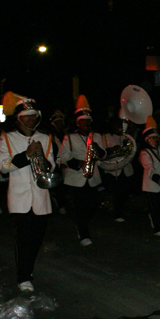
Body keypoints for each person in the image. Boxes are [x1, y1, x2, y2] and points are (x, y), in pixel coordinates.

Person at [0, 92, 56, 292]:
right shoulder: (7, 138)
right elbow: (3, 166)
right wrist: (25, 156)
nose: (31, 119)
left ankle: (28, 269)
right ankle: (24, 276)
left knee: (36, 238)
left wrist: (44, 160)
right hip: (19, 197)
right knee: (23, 238)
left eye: (33, 115)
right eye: (27, 116)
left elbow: (52, 165)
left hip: (41, 196)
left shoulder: (46, 138)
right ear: (18, 118)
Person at [57, 95, 105, 246]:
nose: (86, 123)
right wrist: (78, 162)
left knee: (92, 206)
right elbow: (62, 157)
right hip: (76, 177)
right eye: (83, 120)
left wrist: (98, 150)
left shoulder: (96, 136)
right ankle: (83, 233)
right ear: (78, 123)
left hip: (93, 177)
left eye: (88, 120)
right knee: (80, 207)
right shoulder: (70, 137)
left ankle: (81, 224)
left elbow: (104, 156)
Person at [101, 115, 136, 223]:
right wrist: (112, 149)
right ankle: (117, 212)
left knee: (125, 192)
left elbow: (132, 149)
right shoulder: (105, 137)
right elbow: (102, 153)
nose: (119, 127)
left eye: (121, 125)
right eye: (117, 125)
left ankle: (121, 210)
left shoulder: (126, 136)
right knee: (116, 192)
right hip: (113, 169)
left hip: (126, 168)